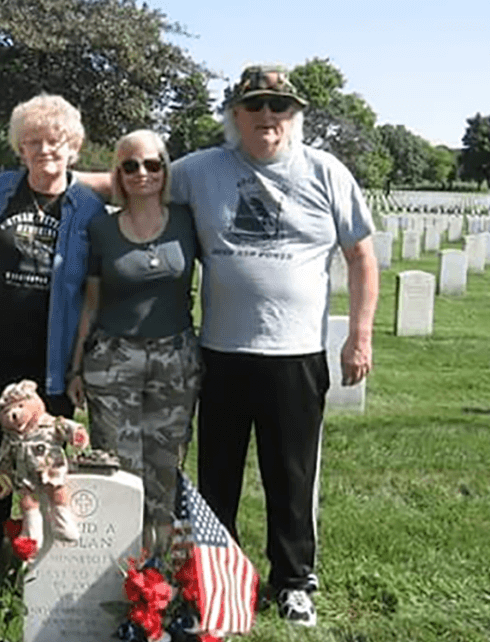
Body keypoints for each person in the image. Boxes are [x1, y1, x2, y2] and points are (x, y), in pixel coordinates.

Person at [170, 65, 379, 627]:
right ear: (234, 115)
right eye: (256, 105)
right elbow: (131, 180)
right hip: (222, 351)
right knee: (219, 474)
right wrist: (58, 171)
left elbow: (362, 256)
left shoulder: (326, 172)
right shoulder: (199, 171)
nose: (268, 117)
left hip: (295, 354)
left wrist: (359, 336)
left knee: (291, 475)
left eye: (280, 107)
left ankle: (293, 581)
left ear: (295, 116)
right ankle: (217, 577)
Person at [0, 94, 106, 553]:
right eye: (33, 142)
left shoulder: (87, 207)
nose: (45, 150)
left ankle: (47, 560)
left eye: (55, 141)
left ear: (74, 148)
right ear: (20, 149)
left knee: (49, 459)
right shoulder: (1, 190)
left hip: (52, 356)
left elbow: (92, 291)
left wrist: (78, 364)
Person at [65, 130, 201, 555]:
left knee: (167, 463)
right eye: (130, 165)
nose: (142, 173)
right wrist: (75, 367)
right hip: (113, 358)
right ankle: (121, 566)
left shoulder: (186, 219)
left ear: (165, 169)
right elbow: (90, 303)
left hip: (174, 359)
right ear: (118, 174)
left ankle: (163, 567)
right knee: (119, 467)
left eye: (152, 164)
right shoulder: (101, 228)